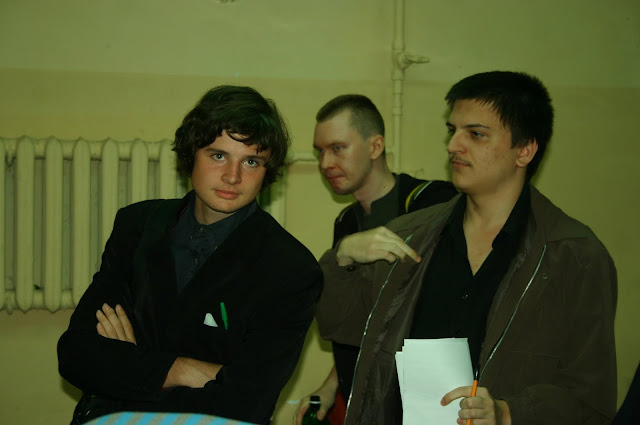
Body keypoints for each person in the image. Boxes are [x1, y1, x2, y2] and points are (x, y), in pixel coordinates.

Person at [315, 72, 617, 425]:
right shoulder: (408, 237)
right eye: (452, 130)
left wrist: (509, 412)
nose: (453, 145)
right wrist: (341, 260)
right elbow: (342, 327)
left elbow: (590, 400)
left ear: (524, 151)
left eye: (475, 134)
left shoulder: (573, 256)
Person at [57, 85, 324, 425]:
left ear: (266, 171)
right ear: (191, 154)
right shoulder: (138, 225)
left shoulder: (290, 268)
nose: (232, 176)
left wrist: (131, 364)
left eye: (251, 161)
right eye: (218, 156)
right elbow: (76, 354)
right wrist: (184, 369)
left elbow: (247, 402)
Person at [295, 95, 457, 424]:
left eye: (337, 148)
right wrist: (332, 385)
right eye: (320, 151)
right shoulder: (347, 222)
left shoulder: (432, 203)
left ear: (375, 146)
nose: (325, 163)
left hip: (420, 402)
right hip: (361, 398)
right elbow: (359, 320)